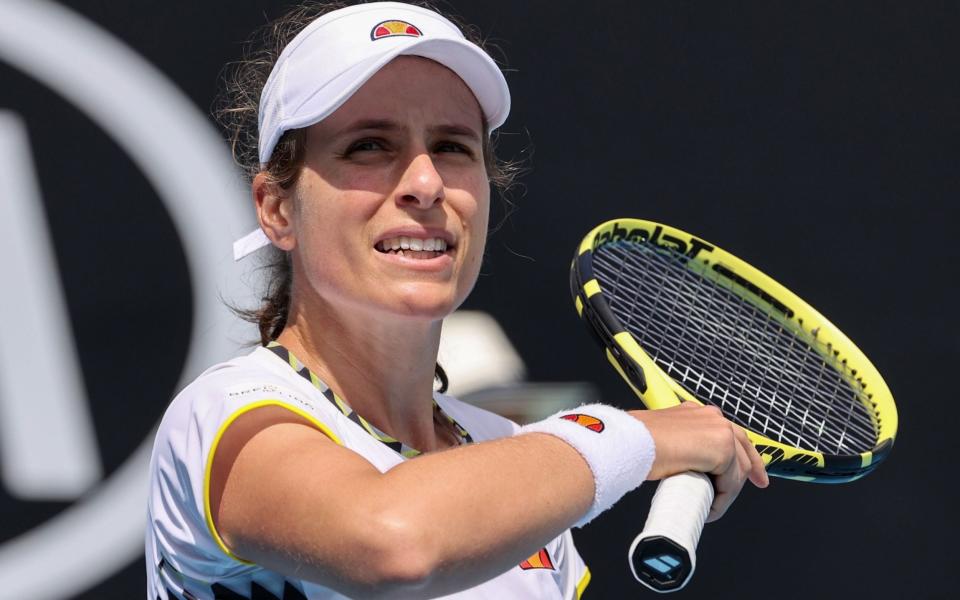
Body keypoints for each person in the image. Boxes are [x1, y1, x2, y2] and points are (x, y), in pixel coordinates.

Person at [145, 2, 768, 599]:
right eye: (370, 145)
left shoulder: (519, 462)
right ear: (278, 209)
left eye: (451, 146)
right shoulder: (221, 415)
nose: (425, 182)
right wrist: (626, 436)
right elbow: (394, 543)